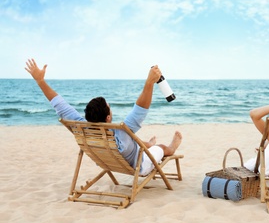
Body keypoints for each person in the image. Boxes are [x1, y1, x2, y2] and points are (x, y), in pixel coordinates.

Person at [25, 58, 182, 176]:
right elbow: (140, 109)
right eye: (109, 107)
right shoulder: (121, 133)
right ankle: (169, 147)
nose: (110, 108)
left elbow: (60, 105)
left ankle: (147, 144)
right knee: (159, 147)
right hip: (139, 165)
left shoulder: (82, 128)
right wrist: (149, 83)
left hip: (110, 161)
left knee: (132, 138)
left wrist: (40, 81)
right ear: (108, 118)